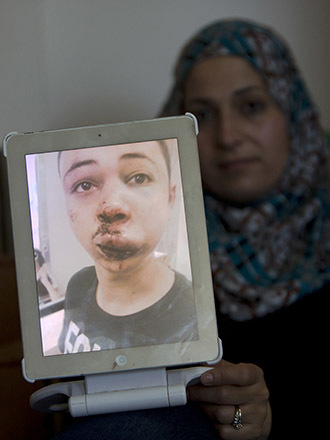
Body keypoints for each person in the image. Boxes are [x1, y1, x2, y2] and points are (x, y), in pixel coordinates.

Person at [159, 19, 330, 438]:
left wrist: (267, 424)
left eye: (251, 106)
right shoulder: (152, 246)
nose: (228, 137)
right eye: (201, 115)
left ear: (292, 111)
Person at [57, 140, 198, 353]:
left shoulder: (195, 316)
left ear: (170, 198)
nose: (111, 208)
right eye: (85, 185)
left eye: (139, 178)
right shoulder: (78, 285)